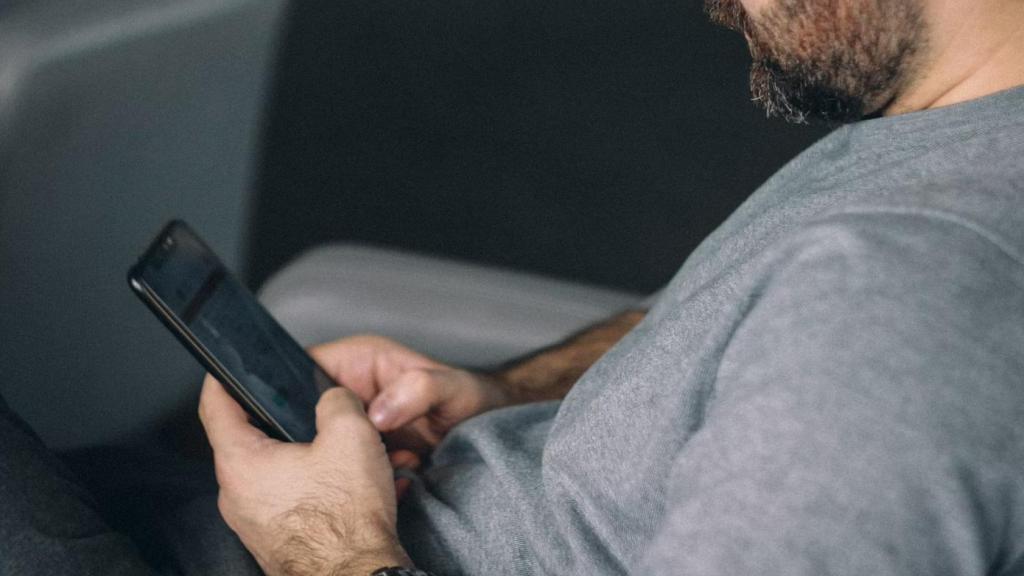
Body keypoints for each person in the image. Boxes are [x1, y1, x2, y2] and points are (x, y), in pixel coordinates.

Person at [3, 0, 1023, 574]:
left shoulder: (904, 302)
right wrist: (510, 393)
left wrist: (326, 546)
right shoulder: (955, 137)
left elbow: (872, 353)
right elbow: (740, 333)